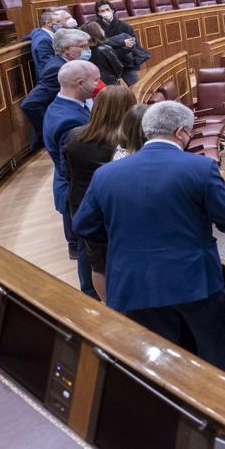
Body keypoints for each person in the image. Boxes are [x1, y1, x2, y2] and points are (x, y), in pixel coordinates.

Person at [73, 101, 225, 373]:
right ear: (181, 132)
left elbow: (84, 226)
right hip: (194, 279)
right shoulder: (200, 168)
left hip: (135, 281)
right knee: (214, 351)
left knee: (159, 358)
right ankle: (223, 409)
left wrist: (126, 237)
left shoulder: (106, 174)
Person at [63, 85, 135, 300]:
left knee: (94, 260)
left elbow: (67, 173)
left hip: (81, 204)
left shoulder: (74, 136)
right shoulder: (125, 145)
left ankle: (97, 301)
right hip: (114, 210)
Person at [43, 58, 101, 296]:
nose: (99, 85)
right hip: (79, 192)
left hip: (77, 187)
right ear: (80, 83)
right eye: (95, 80)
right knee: (89, 250)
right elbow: (73, 167)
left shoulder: (63, 106)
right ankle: (90, 297)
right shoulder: (71, 121)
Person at [21, 27, 88, 151]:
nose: (88, 50)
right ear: (67, 50)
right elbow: (30, 103)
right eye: (83, 46)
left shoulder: (69, 64)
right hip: (65, 136)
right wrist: (50, 131)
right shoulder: (57, 69)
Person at [79, 21, 125, 86]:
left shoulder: (83, 50)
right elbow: (118, 67)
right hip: (109, 82)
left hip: (92, 82)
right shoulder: (105, 49)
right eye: (100, 28)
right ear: (97, 32)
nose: (102, 30)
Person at [27, 9, 64, 80]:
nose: (61, 24)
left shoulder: (40, 32)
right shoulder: (43, 40)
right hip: (50, 78)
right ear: (48, 23)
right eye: (58, 22)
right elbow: (47, 64)